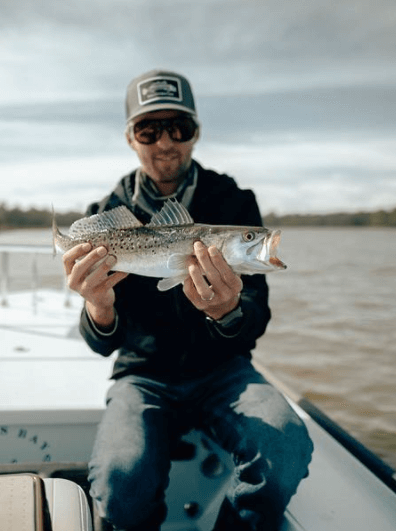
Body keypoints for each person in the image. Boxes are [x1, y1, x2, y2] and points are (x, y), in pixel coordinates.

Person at [62, 69, 312, 531]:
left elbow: (257, 316)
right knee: (121, 480)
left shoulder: (234, 201)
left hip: (223, 371)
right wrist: (98, 306)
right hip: (142, 375)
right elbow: (100, 344)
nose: (165, 142)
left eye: (178, 128)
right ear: (130, 138)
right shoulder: (105, 215)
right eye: (148, 129)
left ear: (196, 133)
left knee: (285, 445)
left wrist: (228, 311)